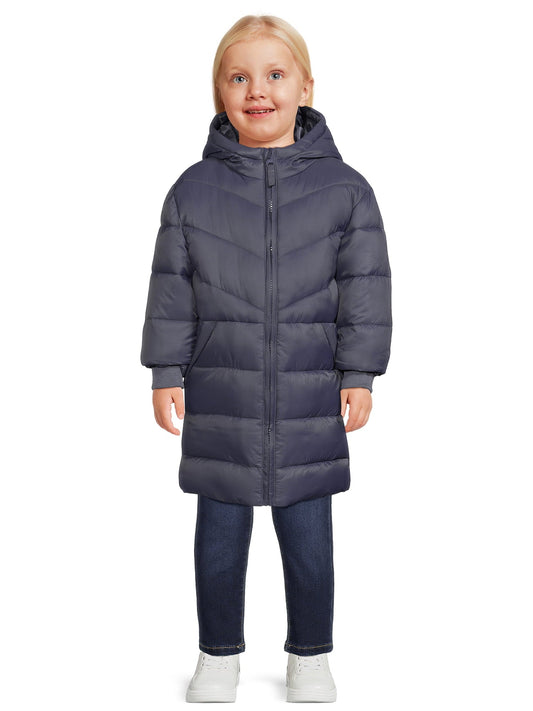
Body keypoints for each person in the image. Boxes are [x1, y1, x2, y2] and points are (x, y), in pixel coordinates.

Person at [140, 14, 392, 704]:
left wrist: (359, 372)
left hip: (310, 393)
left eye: (275, 75)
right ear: (219, 93)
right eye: (239, 77)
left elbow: (366, 288)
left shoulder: (346, 190)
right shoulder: (192, 190)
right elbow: (171, 289)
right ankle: (217, 652)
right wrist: (165, 370)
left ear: (305, 88)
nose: (257, 90)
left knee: (309, 537)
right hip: (220, 392)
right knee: (219, 536)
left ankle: (311, 654)